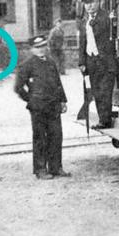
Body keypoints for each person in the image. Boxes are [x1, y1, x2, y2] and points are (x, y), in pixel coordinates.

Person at [14, 34, 70, 179]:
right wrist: (31, 101)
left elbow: (58, 84)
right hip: (38, 107)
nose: (40, 50)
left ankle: (56, 168)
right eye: (37, 47)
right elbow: (18, 88)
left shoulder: (51, 62)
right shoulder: (27, 65)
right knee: (40, 138)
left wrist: (63, 101)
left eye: (42, 46)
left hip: (53, 106)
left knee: (56, 136)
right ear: (32, 49)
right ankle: (40, 170)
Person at [78, 0, 118, 128]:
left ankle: (105, 120)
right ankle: (102, 118)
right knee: (95, 91)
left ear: (98, 2)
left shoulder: (105, 17)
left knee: (104, 92)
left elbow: (104, 28)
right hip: (91, 61)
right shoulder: (84, 22)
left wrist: (113, 20)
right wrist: (81, 62)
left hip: (106, 62)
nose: (90, 6)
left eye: (92, 3)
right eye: (87, 4)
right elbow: (82, 43)